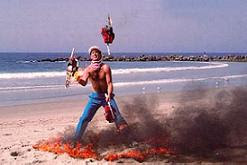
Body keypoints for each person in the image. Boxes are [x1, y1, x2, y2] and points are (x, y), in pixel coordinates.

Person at [73, 46, 128, 141]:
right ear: (90, 56)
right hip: (95, 97)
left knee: (117, 117)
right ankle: (76, 140)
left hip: (107, 96)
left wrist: (110, 94)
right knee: (84, 119)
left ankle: (128, 138)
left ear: (100, 55)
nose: (94, 54)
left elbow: (109, 83)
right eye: (92, 53)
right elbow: (84, 83)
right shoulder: (88, 69)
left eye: (96, 52)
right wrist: (78, 78)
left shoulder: (105, 67)